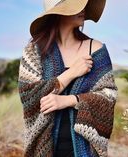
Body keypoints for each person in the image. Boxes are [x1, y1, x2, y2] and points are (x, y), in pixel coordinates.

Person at [18, 0, 118, 157]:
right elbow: (29, 97)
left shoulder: (96, 49)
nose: (83, 8)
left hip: (85, 149)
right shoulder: (34, 51)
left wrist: (71, 100)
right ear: (58, 13)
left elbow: (108, 96)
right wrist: (71, 73)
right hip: (44, 148)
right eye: (76, 4)